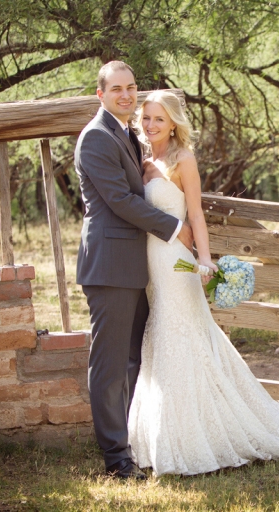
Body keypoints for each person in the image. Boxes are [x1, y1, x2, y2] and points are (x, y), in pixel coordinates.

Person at [127, 90, 279, 476]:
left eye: (158, 119)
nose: (151, 125)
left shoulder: (182, 160)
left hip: (175, 261)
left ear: (173, 122)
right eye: (146, 118)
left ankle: (193, 436)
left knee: (180, 336)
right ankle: (165, 431)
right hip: (150, 262)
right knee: (165, 337)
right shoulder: (141, 160)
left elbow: (196, 215)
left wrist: (205, 259)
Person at [74, 61, 196, 479]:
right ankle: (115, 460)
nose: (126, 95)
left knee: (132, 360)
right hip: (109, 266)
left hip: (136, 266)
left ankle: (132, 442)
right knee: (109, 367)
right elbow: (121, 201)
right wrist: (176, 227)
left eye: (131, 88)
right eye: (117, 89)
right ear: (101, 94)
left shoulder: (127, 133)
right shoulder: (95, 137)